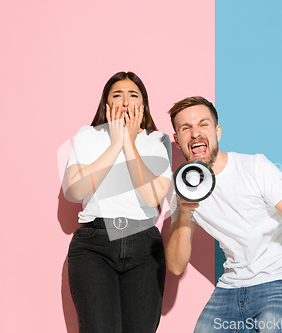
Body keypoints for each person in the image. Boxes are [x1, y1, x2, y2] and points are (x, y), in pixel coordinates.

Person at [165, 96, 282, 333]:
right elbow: (176, 266)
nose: (196, 133)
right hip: (230, 287)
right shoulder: (183, 187)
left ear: (218, 132)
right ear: (177, 141)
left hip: (279, 279)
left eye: (203, 124)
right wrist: (185, 211)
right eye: (186, 128)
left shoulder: (254, 167)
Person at [65, 71, 172, 333]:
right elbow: (77, 190)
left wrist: (130, 143)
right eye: (117, 95)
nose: (125, 101)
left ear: (143, 106)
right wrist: (115, 144)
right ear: (106, 105)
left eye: (133, 95)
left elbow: (152, 197)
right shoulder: (88, 136)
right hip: (94, 245)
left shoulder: (156, 141)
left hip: (144, 246)